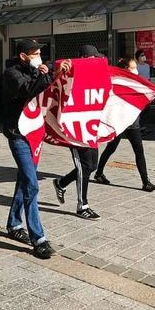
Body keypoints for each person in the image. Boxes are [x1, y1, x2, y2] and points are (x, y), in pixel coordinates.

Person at [2, 38, 71, 259]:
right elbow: (28, 90)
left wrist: (58, 72)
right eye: (34, 53)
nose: (38, 56)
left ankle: (14, 225)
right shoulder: (11, 74)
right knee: (31, 184)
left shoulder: (36, 72)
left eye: (40, 52)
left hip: (34, 133)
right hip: (18, 134)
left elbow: (49, 91)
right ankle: (38, 238)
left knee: (25, 180)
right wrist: (45, 75)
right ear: (23, 56)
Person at [52, 45, 104, 221]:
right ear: (85, 58)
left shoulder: (95, 75)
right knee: (84, 166)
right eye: (93, 58)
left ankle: (61, 183)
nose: (96, 61)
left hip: (90, 127)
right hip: (74, 129)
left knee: (92, 166)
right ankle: (83, 206)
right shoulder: (68, 74)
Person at [93, 58, 155, 192]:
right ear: (125, 69)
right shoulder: (117, 82)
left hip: (133, 123)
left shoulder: (137, 83)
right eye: (133, 67)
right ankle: (99, 173)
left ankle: (146, 182)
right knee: (111, 148)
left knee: (139, 150)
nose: (136, 70)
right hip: (119, 122)